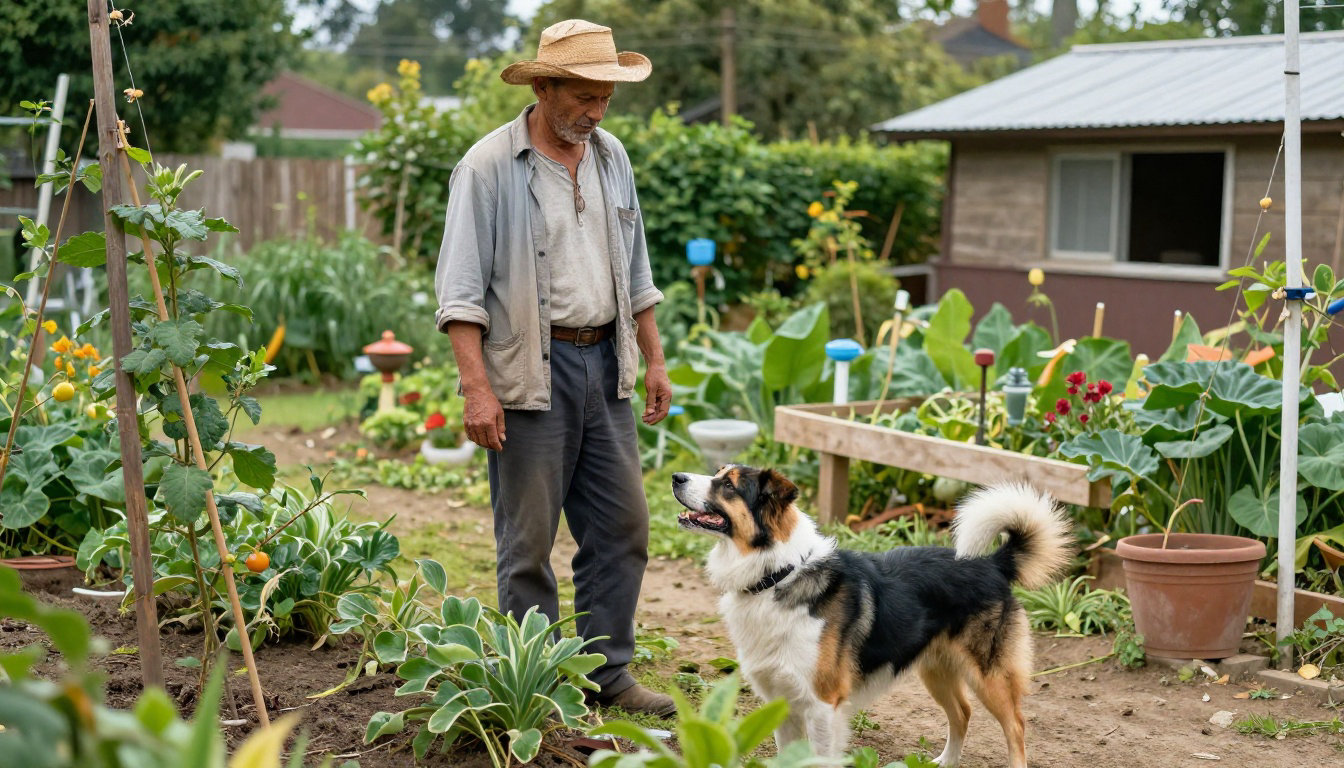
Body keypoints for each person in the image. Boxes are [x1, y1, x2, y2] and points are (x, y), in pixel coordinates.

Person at [434, 19, 674, 716]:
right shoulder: (486, 168)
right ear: (543, 86)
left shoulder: (610, 157)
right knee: (528, 542)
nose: (596, 112)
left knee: (622, 527)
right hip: (529, 378)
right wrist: (477, 390)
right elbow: (459, 293)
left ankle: (608, 675)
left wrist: (653, 357)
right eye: (584, 97)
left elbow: (636, 270)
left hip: (607, 363)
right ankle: (536, 681)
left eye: (606, 99)